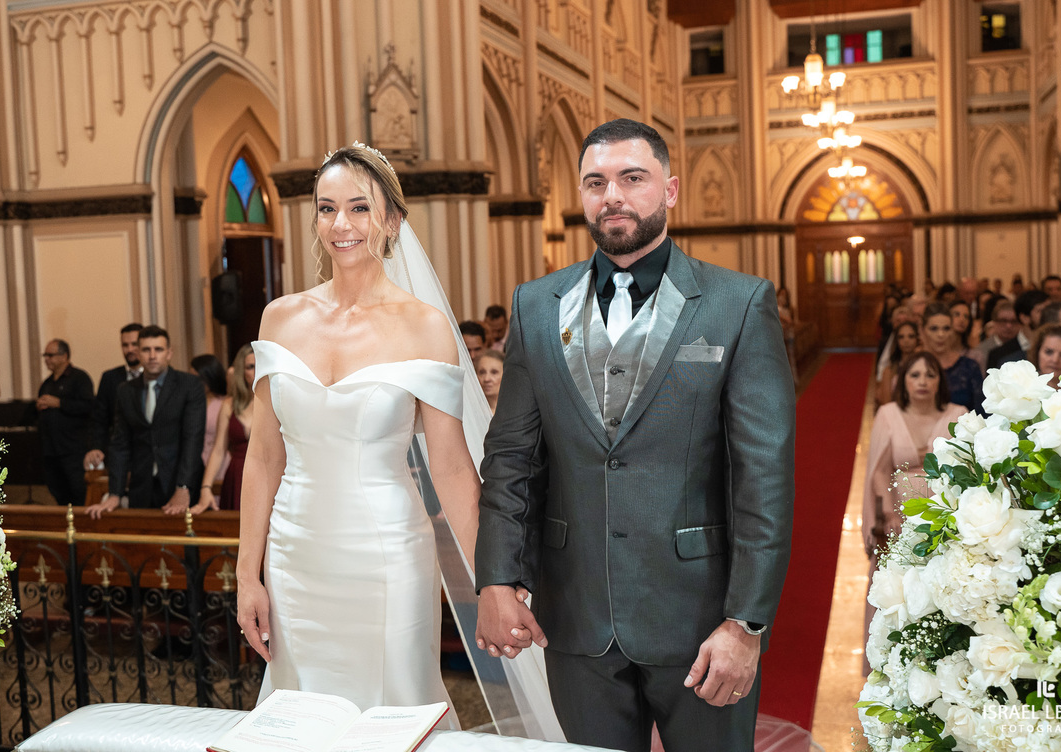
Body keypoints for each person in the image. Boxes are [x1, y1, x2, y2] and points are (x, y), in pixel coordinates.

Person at [475, 119, 795, 751]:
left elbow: (764, 477)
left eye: (632, 178)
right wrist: (495, 577)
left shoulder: (737, 304)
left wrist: (746, 622)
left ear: (670, 190)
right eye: (595, 182)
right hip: (576, 618)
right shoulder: (536, 305)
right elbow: (511, 455)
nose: (612, 196)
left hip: (701, 623)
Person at [233, 144, 560, 739]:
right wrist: (247, 574)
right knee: (299, 721)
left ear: (391, 220)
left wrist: (496, 579)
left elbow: (454, 470)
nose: (342, 225)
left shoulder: (424, 326)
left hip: (387, 556)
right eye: (327, 208)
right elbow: (263, 456)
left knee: (396, 715)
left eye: (359, 208)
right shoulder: (279, 318)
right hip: (294, 557)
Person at [861, 350, 964, 669]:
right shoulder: (889, 413)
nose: (922, 381)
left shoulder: (958, 413)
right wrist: (890, 512)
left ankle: (937, 660)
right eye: (914, 375)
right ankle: (885, 659)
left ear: (939, 381)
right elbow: (878, 469)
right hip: (900, 517)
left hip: (944, 514)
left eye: (930, 375)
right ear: (903, 381)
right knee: (895, 582)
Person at [86, 325, 206, 518]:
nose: (152, 356)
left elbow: (193, 439)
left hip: (180, 482)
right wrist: (115, 493)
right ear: (138, 354)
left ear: (169, 353)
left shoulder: (189, 385)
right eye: (146, 350)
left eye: (158, 349)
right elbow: (120, 444)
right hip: (141, 485)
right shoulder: (125, 390)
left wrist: (183, 487)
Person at [36, 339, 95, 506]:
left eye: (51, 355)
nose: (46, 359)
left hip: (73, 449)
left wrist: (60, 403)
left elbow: (88, 406)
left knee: (78, 490)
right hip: (51, 449)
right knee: (57, 489)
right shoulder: (47, 383)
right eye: (45, 355)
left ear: (64, 356)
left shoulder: (79, 378)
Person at [199, 345, 255, 512]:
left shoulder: (277, 402)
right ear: (241, 372)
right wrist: (206, 488)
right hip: (236, 475)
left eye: (260, 365)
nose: (256, 371)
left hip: (267, 476)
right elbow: (218, 449)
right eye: (250, 367)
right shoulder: (229, 405)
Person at [84, 323, 144, 470]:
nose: (129, 350)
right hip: (119, 453)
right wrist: (96, 447)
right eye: (125, 345)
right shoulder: (110, 378)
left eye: (134, 344)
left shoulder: (159, 376)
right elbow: (99, 419)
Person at [920, 304, 983, 412]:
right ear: (923, 331)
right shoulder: (912, 367)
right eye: (934, 329)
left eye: (946, 328)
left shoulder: (970, 367)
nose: (941, 334)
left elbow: (981, 413)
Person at [191, 354, 230, 484]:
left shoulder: (225, 403)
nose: (195, 383)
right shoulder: (191, 403)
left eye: (199, 379)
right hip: (194, 464)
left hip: (219, 462)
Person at [986, 289, 1048, 370]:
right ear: (1024, 318)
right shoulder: (1000, 354)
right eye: (1041, 311)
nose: (1048, 314)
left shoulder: (1054, 347)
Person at [875, 321, 920, 406]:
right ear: (897, 341)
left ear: (917, 339)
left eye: (911, 336)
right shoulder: (889, 370)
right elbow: (886, 405)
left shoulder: (925, 367)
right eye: (901, 337)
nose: (906, 341)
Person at [476, 349, 504, 414]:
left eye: (494, 372)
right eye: (482, 372)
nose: (486, 379)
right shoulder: (469, 412)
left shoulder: (518, 410)